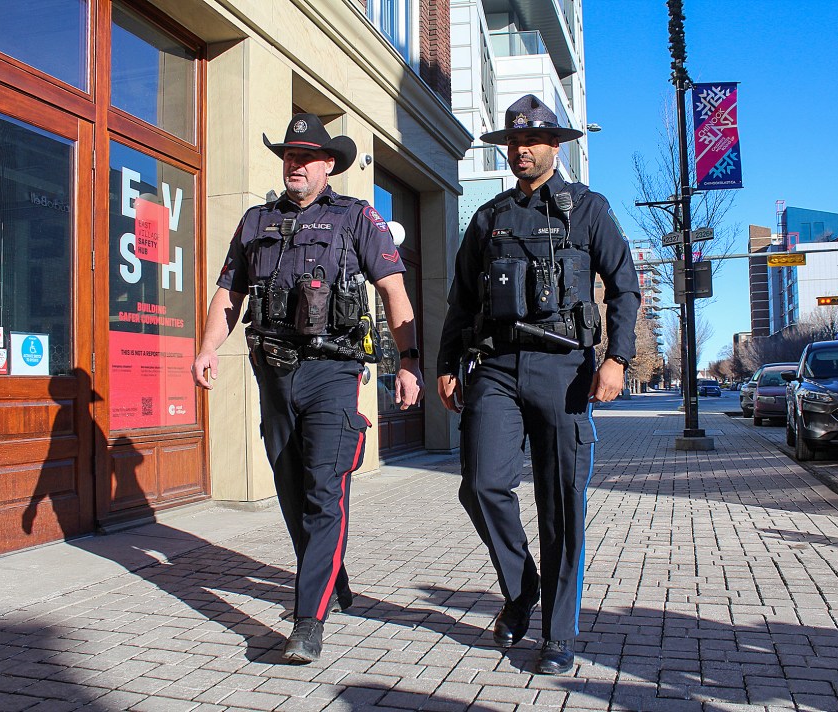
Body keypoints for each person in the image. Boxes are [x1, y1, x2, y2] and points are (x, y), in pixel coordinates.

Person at [193, 114, 424, 664]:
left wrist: (409, 361)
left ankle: (307, 621)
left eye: (305, 156)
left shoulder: (355, 218)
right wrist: (206, 347)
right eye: (288, 156)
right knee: (291, 488)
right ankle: (331, 576)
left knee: (323, 487)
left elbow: (393, 289)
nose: (294, 164)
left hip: (333, 373)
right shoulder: (256, 221)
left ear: (328, 164)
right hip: (273, 373)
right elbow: (230, 293)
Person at [436, 95, 639, 674]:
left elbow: (624, 287)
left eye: (535, 140)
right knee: (480, 485)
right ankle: (523, 589)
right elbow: (462, 301)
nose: (523, 150)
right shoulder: (488, 217)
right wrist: (449, 364)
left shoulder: (588, 210)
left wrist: (617, 359)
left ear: (556, 146)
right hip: (496, 366)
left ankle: (558, 632)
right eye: (515, 142)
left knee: (560, 504)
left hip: (564, 370)